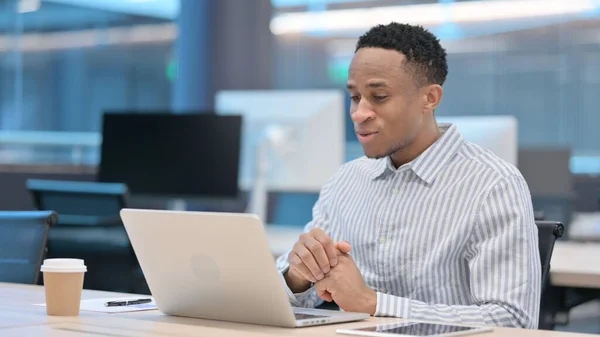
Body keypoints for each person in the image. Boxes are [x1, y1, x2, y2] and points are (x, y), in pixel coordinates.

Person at [275, 22, 540, 329]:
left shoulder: (493, 184)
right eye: (355, 97)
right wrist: (298, 275)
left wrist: (373, 303)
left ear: (430, 98)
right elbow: (290, 293)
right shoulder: (346, 181)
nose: (359, 114)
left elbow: (514, 322)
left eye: (379, 96)